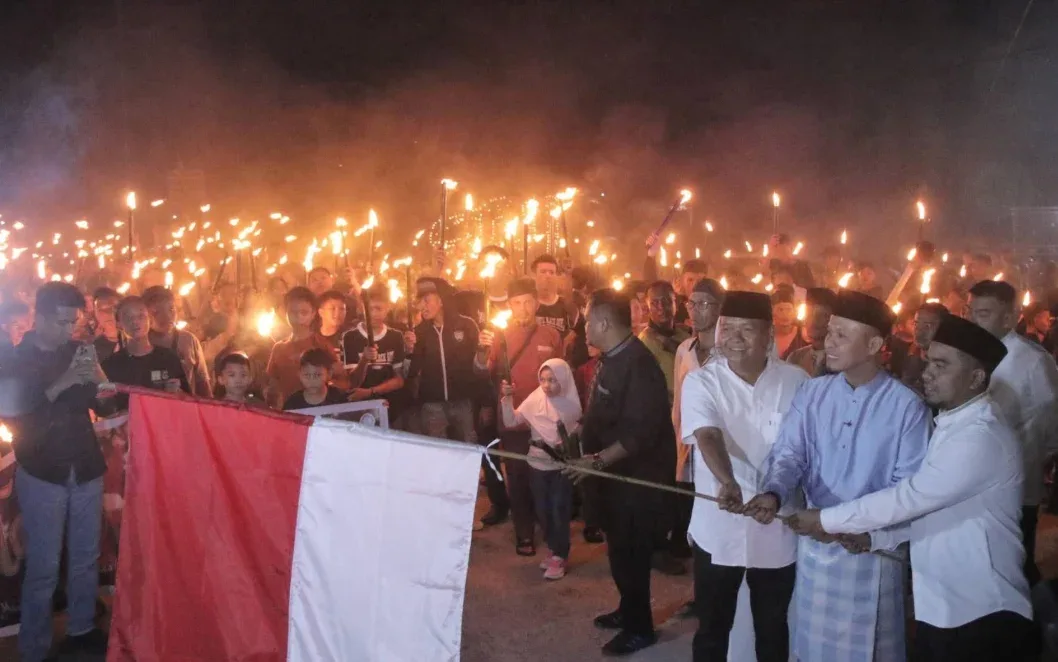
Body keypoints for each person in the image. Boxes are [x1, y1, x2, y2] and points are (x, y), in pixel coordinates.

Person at [789, 314, 1034, 662]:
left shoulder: (981, 436)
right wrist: (876, 539)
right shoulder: (951, 423)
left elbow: (911, 497)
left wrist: (827, 519)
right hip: (942, 604)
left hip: (982, 607)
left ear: (976, 377)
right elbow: (933, 512)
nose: (927, 372)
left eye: (942, 365)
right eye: (928, 360)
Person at [746, 289, 932, 661]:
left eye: (841, 335)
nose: (828, 342)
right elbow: (789, 454)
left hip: (872, 552)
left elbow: (910, 490)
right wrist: (774, 494)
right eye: (830, 332)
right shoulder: (813, 393)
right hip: (817, 547)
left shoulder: (907, 408)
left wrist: (869, 534)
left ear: (875, 343)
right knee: (813, 649)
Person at [681, 291, 807, 662]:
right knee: (712, 629)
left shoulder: (798, 382)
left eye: (747, 330)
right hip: (719, 529)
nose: (735, 338)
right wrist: (727, 481)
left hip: (776, 526)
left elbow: (800, 450)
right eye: (728, 328)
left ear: (768, 335)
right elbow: (707, 434)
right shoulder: (702, 382)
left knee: (772, 628)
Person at [562, 288, 675, 656]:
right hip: (613, 481)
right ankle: (627, 610)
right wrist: (580, 431)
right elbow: (602, 409)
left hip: (634, 482)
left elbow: (639, 434)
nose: (583, 329)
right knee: (618, 551)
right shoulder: (613, 357)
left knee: (632, 554)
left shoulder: (639, 364)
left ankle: (641, 628)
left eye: (587, 320)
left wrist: (595, 462)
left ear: (605, 322)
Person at [3, 282, 110, 660]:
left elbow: (94, 398)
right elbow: (16, 413)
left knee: (86, 554)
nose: (70, 329)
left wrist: (100, 381)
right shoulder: (16, 357)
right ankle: (34, 645)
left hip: (83, 463)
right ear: (42, 317)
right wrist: (63, 383)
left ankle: (81, 627)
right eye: (63, 322)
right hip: (42, 469)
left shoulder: (78, 349)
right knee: (44, 564)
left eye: (75, 322)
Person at [967, 279, 1058, 586]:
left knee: (1014, 566)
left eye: (983, 313)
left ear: (1009, 317)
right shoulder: (970, 354)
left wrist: (1031, 460)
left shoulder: (1032, 362)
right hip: (974, 479)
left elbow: (1051, 425)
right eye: (971, 312)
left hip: (1018, 481)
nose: (973, 320)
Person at [475, 278, 564, 553]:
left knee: (546, 475)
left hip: (544, 420)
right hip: (512, 418)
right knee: (517, 475)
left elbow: (563, 375)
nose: (523, 308)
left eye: (527, 302)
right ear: (510, 306)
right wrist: (481, 349)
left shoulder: (551, 335)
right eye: (516, 303)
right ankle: (523, 531)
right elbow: (482, 370)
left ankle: (548, 528)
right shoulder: (499, 335)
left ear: (536, 303)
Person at [499, 359, 581, 580]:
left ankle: (560, 555)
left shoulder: (571, 406)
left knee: (558, 510)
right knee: (543, 511)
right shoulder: (534, 399)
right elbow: (510, 420)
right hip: (536, 465)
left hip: (561, 468)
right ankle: (554, 551)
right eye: (543, 379)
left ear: (563, 379)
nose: (547, 385)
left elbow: (576, 433)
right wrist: (507, 397)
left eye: (553, 380)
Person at [670, 278, 725, 556]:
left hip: (716, 446)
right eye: (691, 303)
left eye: (704, 304)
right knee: (687, 506)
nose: (694, 310)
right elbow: (679, 401)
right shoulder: (684, 350)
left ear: (719, 309)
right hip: (686, 447)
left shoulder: (728, 354)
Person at [406, 277, 481, 443]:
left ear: (441, 300)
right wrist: (409, 351)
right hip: (432, 405)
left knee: (468, 449)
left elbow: (480, 368)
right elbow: (411, 373)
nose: (421, 306)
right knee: (439, 453)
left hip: (463, 401)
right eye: (419, 302)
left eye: (426, 300)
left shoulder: (466, 325)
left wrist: (485, 402)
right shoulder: (419, 332)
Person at [102, 296, 190, 410]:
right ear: (118, 324)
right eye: (128, 317)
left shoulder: (169, 359)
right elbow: (104, 409)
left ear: (150, 319)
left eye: (141, 316)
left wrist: (176, 392)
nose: (135, 322)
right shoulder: (111, 365)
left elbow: (188, 399)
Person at [265, 287, 342, 409]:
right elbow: (272, 383)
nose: (298, 317)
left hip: (316, 412)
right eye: (293, 312)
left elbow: (341, 379)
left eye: (304, 312)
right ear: (286, 314)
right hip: (288, 411)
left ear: (313, 314)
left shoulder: (321, 345)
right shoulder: (279, 348)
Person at [342, 283, 406, 413]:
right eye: (369, 309)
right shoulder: (350, 337)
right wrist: (364, 360)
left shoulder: (395, 336)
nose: (373, 314)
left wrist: (371, 391)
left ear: (387, 309)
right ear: (362, 309)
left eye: (378, 308)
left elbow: (399, 380)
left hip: (391, 406)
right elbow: (352, 382)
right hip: (360, 408)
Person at [142, 286, 212, 397]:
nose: (167, 316)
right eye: (156, 312)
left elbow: (202, 382)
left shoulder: (189, 340)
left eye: (171, 309)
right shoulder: (140, 344)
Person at [786, 287, 836, 377]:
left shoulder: (840, 359)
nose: (814, 320)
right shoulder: (796, 358)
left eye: (822, 315)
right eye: (809, 313)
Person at [901, 302, 948, 395]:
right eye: (916, 324)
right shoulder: (905, 357)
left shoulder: (948, 367)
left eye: (927, 326)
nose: (919, 332)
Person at [282, 348, 349, 410]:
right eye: (307, 375)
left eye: (317, 375)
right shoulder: (292, 404)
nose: (312, 380)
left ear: (329, 374)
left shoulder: (340, 398)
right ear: (299, 374)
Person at [532, 255, 578, 339]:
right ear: (534, 275)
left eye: (552, 272)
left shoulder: (568, 307)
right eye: (543, 271)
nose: (548, 276)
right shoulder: (526, 305)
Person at [771, 285, 806, 360]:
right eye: (780, 309)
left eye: (789, 309)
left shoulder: (803, 335)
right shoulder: (766, 336)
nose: (785, 314)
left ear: (794, 312)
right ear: (772, 312)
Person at [674, 260, 709, 328]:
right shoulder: (674, 307)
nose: (695, 285)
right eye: (690, 280)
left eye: (700, 281)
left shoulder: (713, 306)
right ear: (682, 281)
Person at [90, 287, 122, 363]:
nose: (109, 313)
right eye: (101, 309)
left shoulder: (135, 340)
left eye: (113, 308)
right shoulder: (93, 349)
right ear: (95, 313)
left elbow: (155, 372)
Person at [317, 290, 350, 356]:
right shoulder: (312, 337)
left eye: (342, 309)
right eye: (332, 309)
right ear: (321, 312)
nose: (337, 313)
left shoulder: (349, 337)